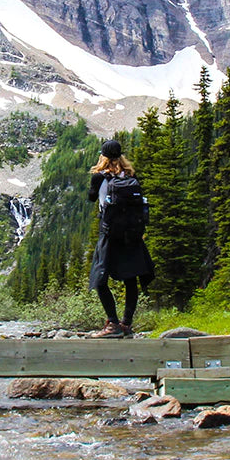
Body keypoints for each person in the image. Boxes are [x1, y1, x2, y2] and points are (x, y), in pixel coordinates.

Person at [87, 139, 154, 337]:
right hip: (132, 236)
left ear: (103, 156)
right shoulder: (132, 175)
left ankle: (112, 324)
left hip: (110, 234)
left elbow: (91, 197)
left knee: (100, 279)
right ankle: (126, 324)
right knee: (131, 279)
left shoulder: (99, 177)